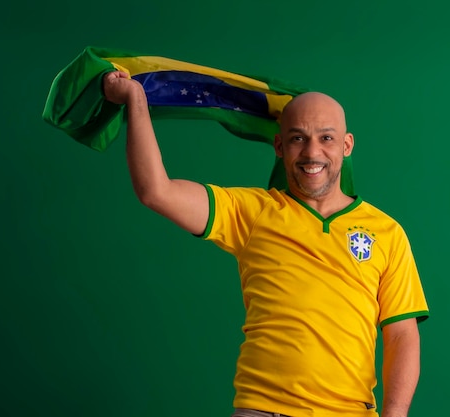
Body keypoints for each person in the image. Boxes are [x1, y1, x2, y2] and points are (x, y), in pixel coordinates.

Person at [102, 69, 429, 417]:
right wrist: (136, 99)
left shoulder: (387, 232)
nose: (312, 152)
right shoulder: (252, 212)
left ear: (347, 145)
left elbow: (400, 336)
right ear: (279, 146)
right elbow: (157, 191)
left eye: (327, 138)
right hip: (261, 410)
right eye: (298, 138)